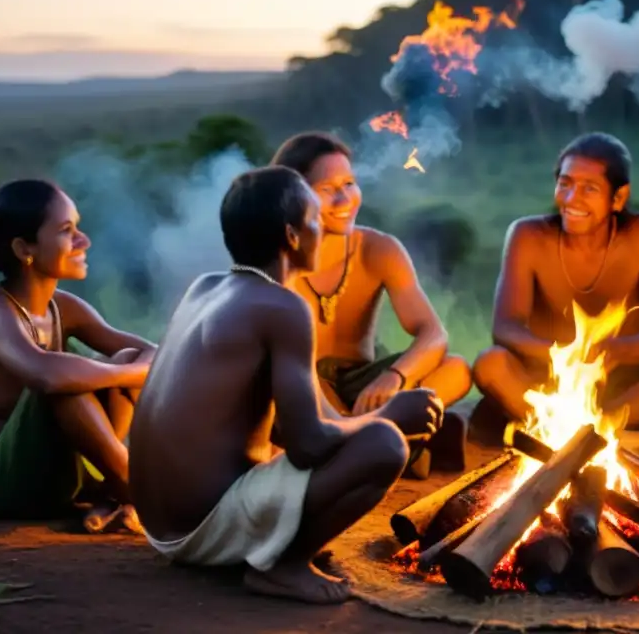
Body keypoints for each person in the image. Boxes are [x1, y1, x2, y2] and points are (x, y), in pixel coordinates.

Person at [129, 166, 443, 604]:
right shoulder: (283, 306)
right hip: (201, 528)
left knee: (371, 434)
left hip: (160, 524)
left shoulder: (207, 287)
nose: (326, 228)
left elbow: (311, 416)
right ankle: (282, 565)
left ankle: (271, 546)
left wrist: (373, 417)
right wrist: (389, 416)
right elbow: (309, 443)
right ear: (293, 237)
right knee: (385, 446)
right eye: (316, 218)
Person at [472, 132, 639, 434]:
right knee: (491, 363)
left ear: (618, 198)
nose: (571, 199)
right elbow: (504, 329)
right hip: (549, 382)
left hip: (626, 388)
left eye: (589, 188)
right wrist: (562, 354)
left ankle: (601, 436)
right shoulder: (528, 236)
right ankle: (576, 433)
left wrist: (617, 351)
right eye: (565, 183)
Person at [270, 132, 472, 476]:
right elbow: (280, 357)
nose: (344, 199)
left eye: (349, 183)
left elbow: (433, 334)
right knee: (276, 403)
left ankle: (366, 443)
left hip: (363, 385)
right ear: (294, 197)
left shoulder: (378, 249)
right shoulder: (278, 260)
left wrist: (394, 377)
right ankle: (399, 443)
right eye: (327, 190)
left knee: (455, 370)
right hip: (305, 385)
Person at [0, 179, 155, 531]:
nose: (83, 241)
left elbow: (153, 353)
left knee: (121, 357)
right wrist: (128, 373)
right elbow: (47, 376)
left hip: (52, 478)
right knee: (62, 382)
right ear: (25, 248)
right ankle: (132, 485)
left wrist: (122, 370)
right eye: (67, 231)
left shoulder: (63, 308)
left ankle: (109, 492)